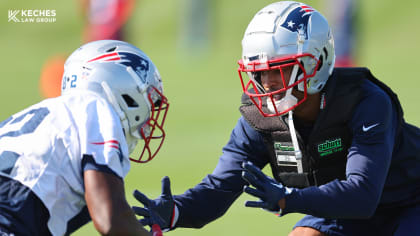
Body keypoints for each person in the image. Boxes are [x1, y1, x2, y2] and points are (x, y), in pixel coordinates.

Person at [132, 1, 420, 236]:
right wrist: (177, 211)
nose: (267, 83)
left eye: (279, 69)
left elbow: (362, 194)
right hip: (345, 213)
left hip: (410, 203)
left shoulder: (366, 102)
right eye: (260, 72)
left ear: (315, 63)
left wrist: (289, 198)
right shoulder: (260, 117)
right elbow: (222, 186)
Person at [0, 40, 169, 236]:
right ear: (122, 88)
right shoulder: (96, 107)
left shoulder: (49, 114)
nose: (149, 117)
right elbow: (110, 219)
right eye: (150, 99)